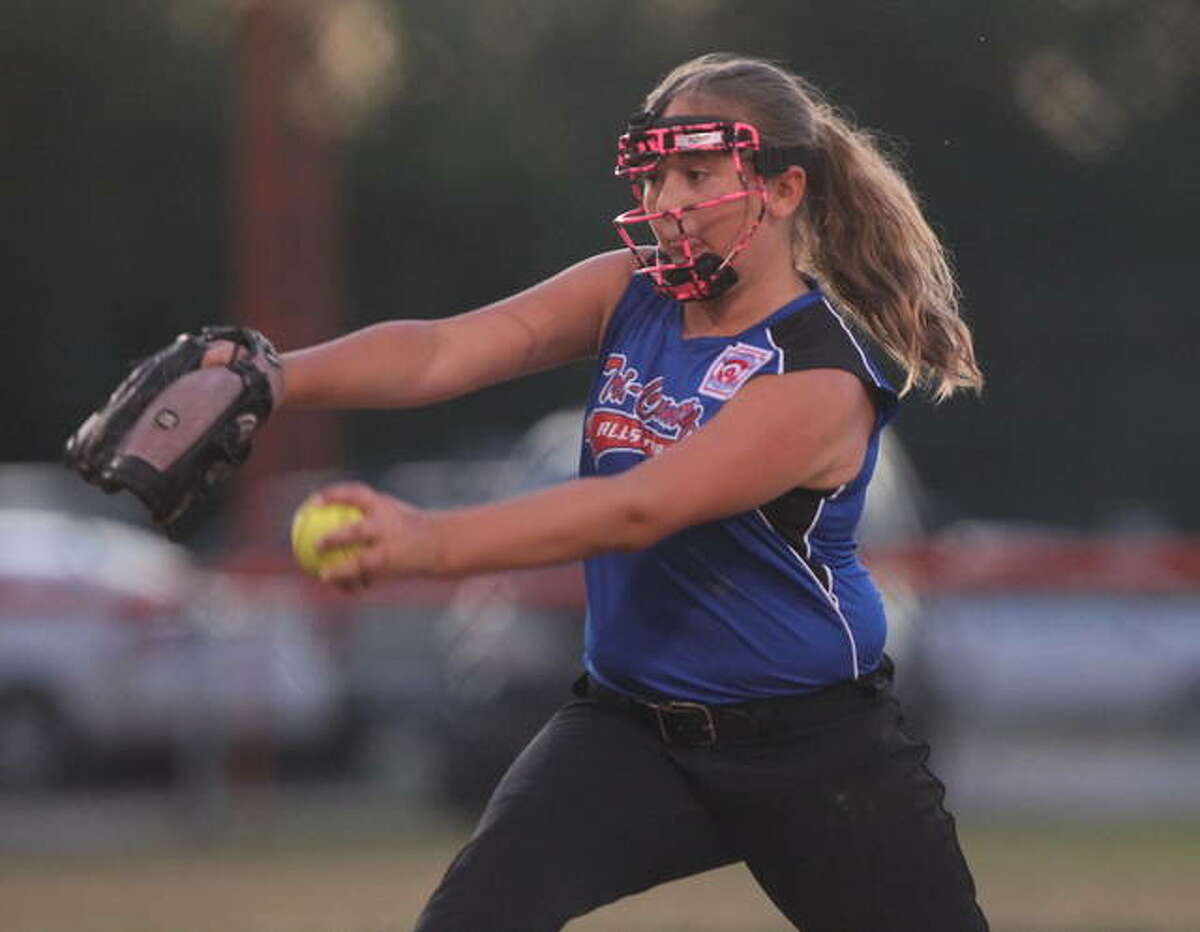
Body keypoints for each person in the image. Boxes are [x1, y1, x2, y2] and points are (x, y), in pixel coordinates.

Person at [214, 52, 988, 932]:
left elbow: (641, 507)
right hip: (631, 733)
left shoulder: (819, 372)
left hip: (813, 747)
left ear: (781, 191)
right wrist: (267, 375)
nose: (665, 203)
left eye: (697, 174)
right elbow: (443, 349)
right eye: (655, 176)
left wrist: (428, 543)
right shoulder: (633, 293)